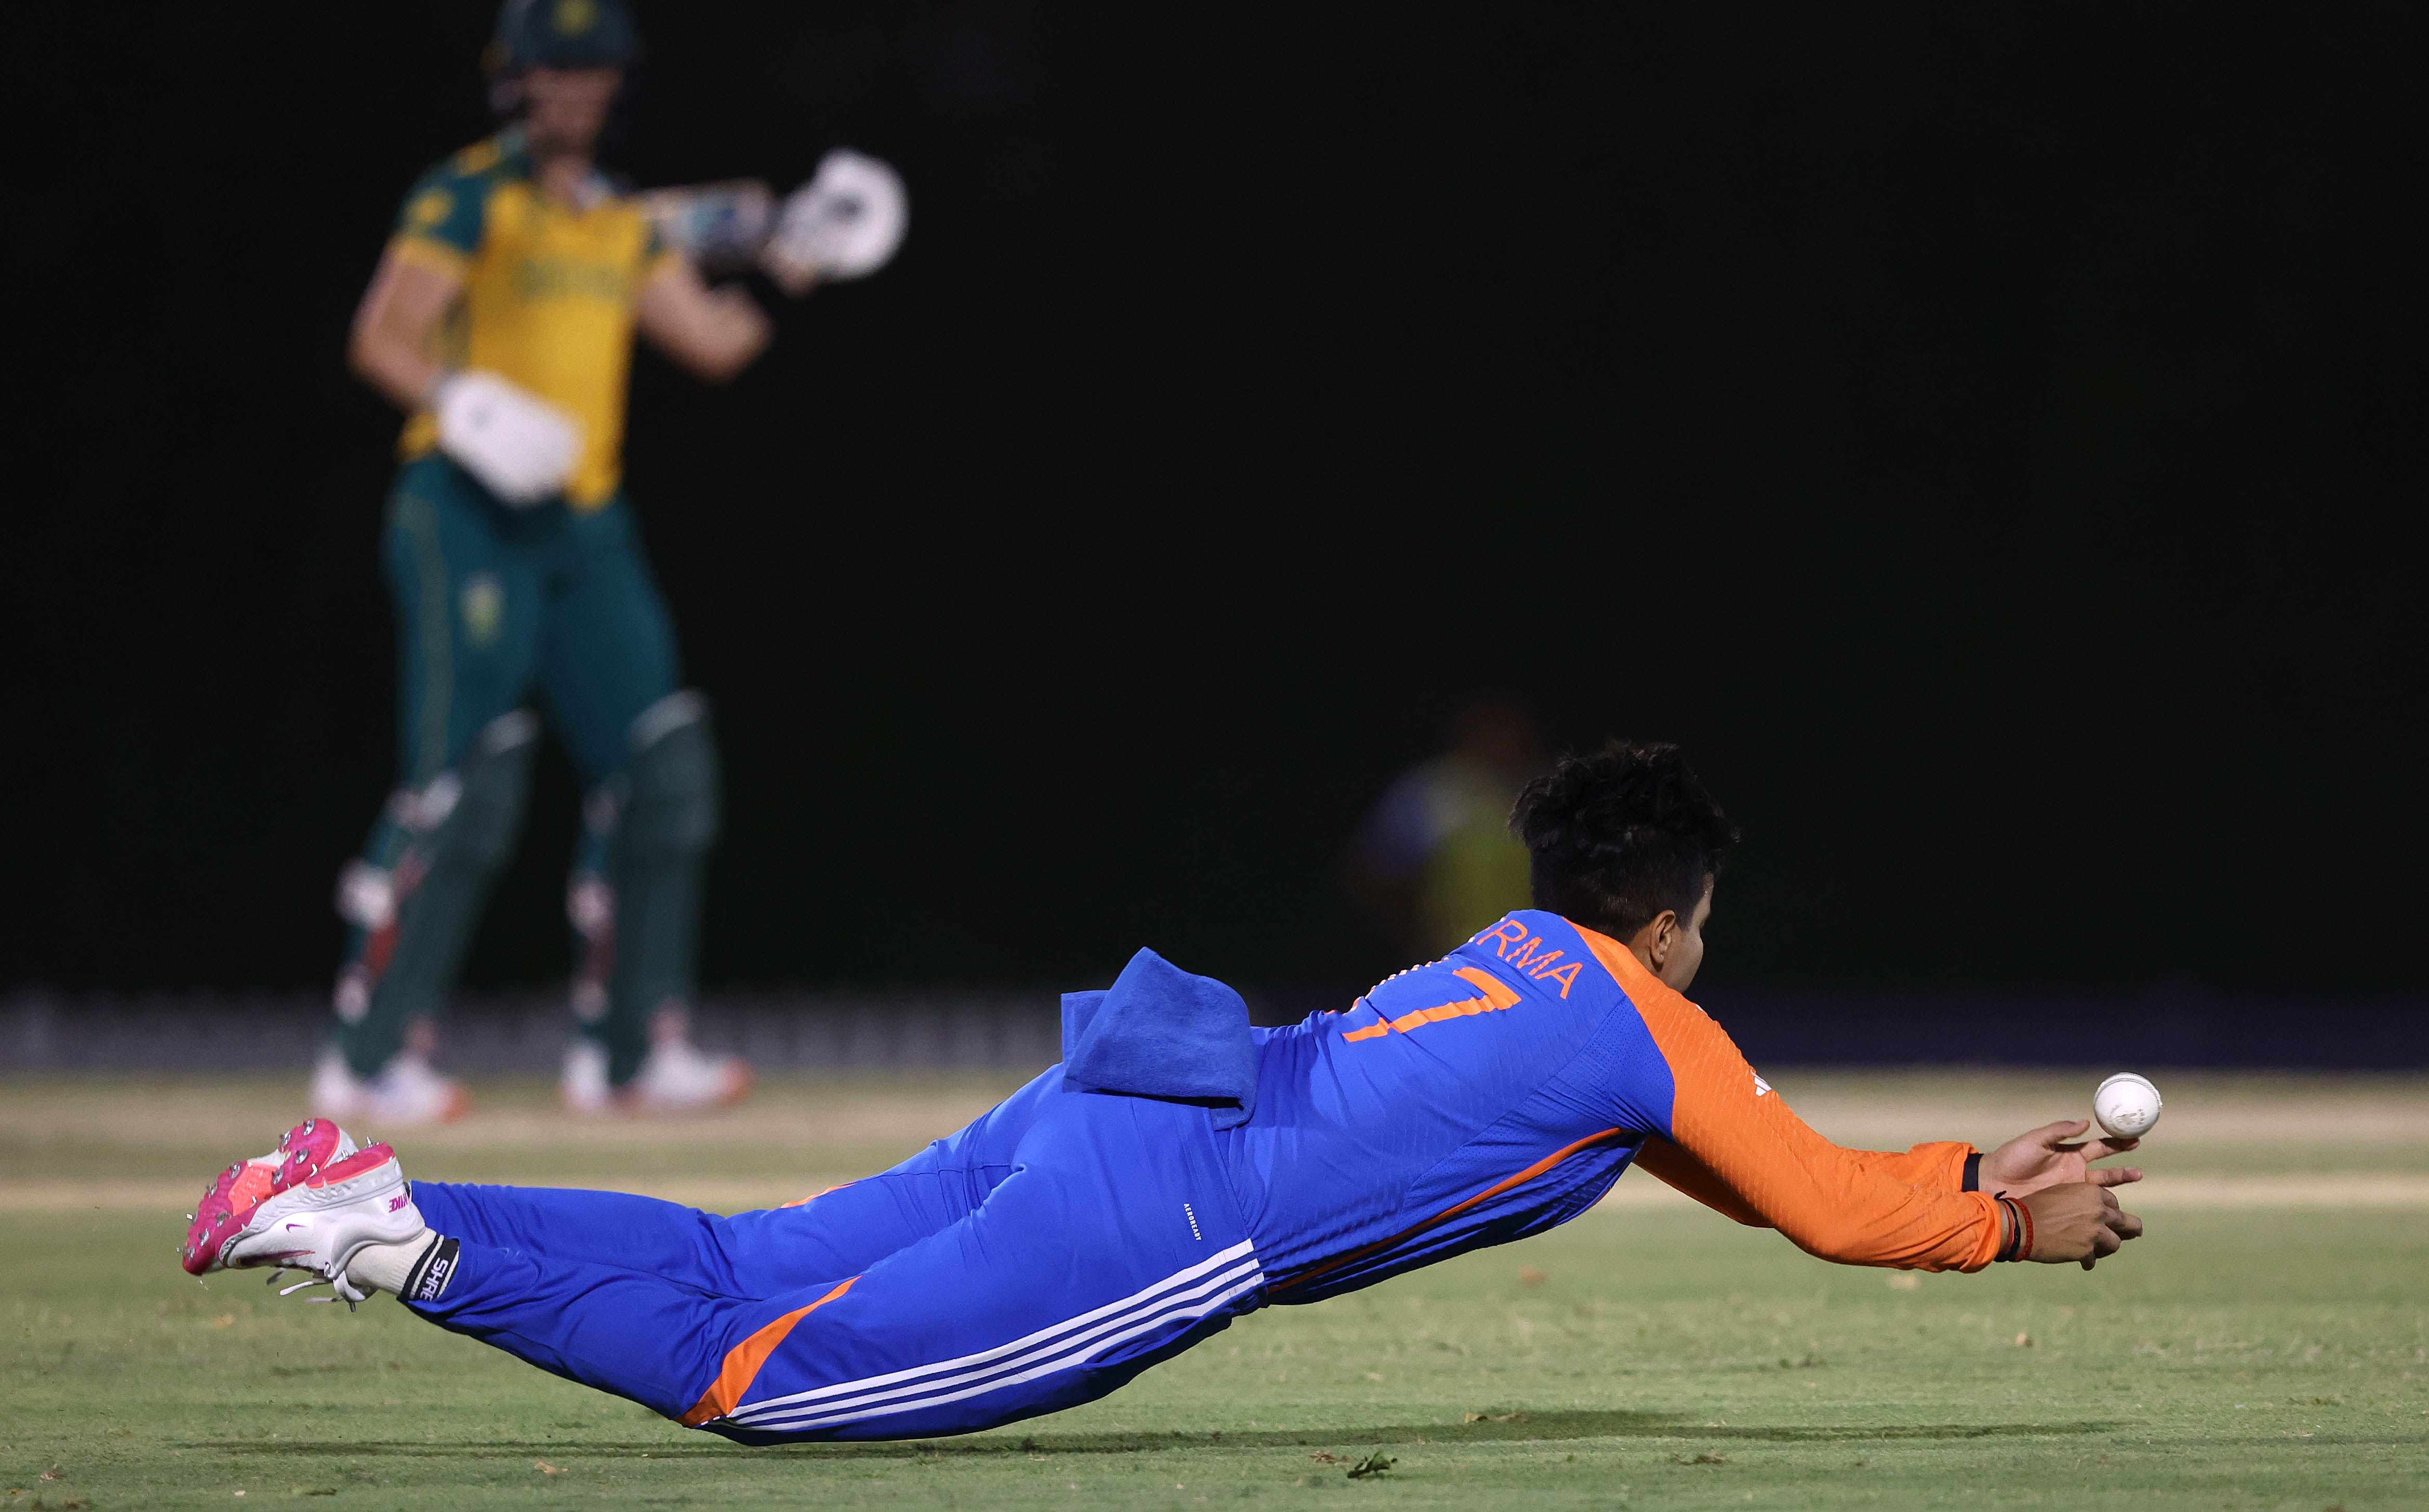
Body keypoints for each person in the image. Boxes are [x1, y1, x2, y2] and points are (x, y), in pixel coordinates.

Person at [188, 741, 2144, 1442]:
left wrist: (1968, 1167)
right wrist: (2003, 1226)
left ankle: (364, 1178)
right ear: (1668, 921)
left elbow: (1736, 1159)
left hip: (1133, 1094)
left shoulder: (1519, 959)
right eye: (1703, 926)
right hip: (1164, 1212)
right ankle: (385, 1244)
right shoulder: (1641, 1014)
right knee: (757, 1379)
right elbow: (1812, 1201)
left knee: (742, 1252)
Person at [317, 0, 886, 1123]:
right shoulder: (468, 196)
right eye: (554, 72)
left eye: (591, 74)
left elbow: (712, 341)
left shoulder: (618, 220)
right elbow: (382, 336)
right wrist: (462, 402)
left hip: (584, 524)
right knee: (463, 778)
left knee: (661, 761)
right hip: (465, 510)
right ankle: (367, 1053)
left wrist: (792, 265)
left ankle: (626, 1055)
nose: (573, 92)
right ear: (513, 82)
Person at [1354, 702, 1544, 958]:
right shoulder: (1434, 791)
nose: (1501, 742)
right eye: (1489, 732)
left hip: (1533, 957)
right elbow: (1378, 873)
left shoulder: (1546, 792)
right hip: (1448, 955)